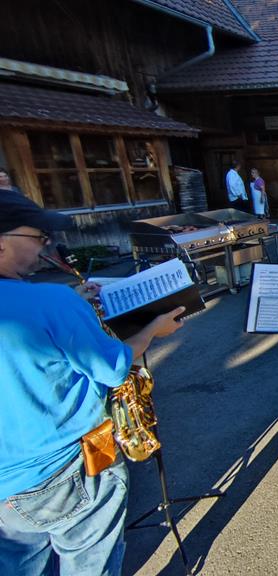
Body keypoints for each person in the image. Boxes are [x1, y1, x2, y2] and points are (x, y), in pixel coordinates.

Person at [0, 192, 186, 575]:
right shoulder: (50, 302)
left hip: (7, 482)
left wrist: (74, 303)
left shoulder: (54, 301)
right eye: (37, 237)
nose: (44, 247)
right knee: (89, 564)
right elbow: (114, 368)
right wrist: (154, 329)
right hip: (68, 466)